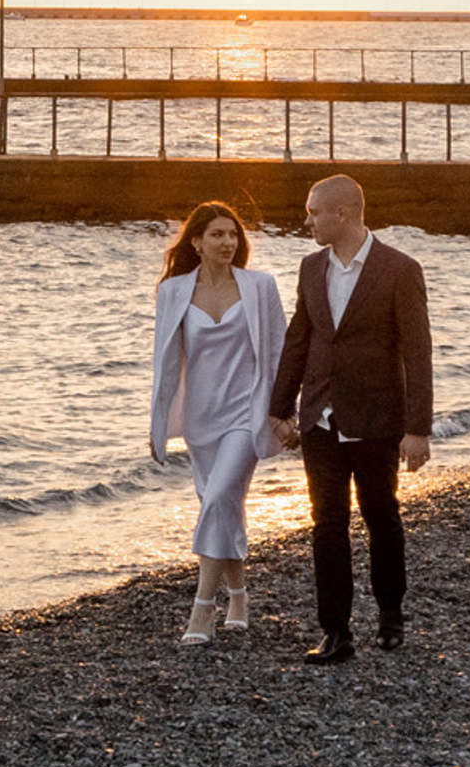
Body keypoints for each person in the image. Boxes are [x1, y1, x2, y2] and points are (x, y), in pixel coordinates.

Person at [268, 175, 433, 665]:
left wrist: (418, 429)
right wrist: (280, 410)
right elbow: (299, 339)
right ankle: (335, 632)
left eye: (314, 212)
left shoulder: (399, 269)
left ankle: (390, 616)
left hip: (377, 418)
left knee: (381, 518)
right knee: (327, 523)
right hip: (319, 417)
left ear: (342, 213)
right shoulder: (310, 267)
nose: (307, 220)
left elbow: (418, 353)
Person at [149, 201, 289, 647]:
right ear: (196, 242)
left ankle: (202, 608)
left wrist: (287, 413)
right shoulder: (173, 292)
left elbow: (280, 353)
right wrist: (157, 426)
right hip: (200, 418)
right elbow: (165, 364)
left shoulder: (260, 287)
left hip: (245, 413)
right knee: (221, 505)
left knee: (221, 495)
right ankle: (240, 598)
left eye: (233, 235)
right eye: (217, 235)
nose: (228, 242)